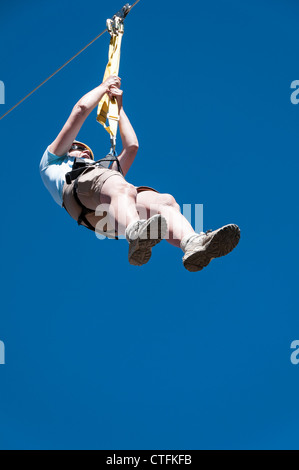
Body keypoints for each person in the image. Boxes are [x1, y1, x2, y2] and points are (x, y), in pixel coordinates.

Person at [40, 75, 240, 271]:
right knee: (120, 185)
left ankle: (192, 243)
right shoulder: (53, 160)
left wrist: (119, 108)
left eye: (87, 151)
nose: (85, 151)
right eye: (77, 147)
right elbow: (81, 110)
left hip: (106, 213)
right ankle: (136, 232)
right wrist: (103, 86)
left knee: (165, 202)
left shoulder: (105, 177)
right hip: (83, 199)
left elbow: (132, 147)